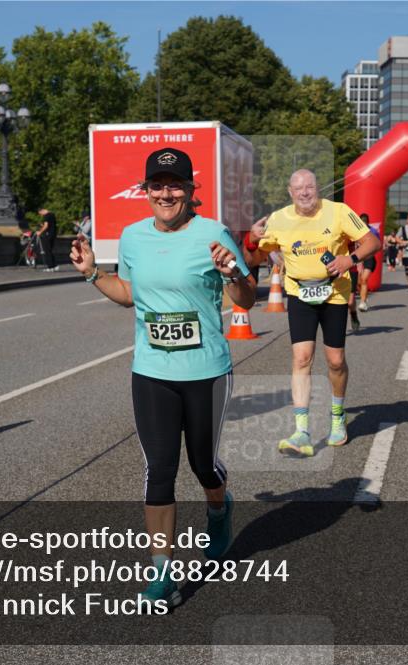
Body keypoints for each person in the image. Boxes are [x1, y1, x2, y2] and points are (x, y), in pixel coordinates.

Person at [68, 147, 256, 608]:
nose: (165, 194)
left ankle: (219, 509)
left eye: (174, 185)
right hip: (152, 371)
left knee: (203, 465)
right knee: (159, 471)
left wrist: (233, 274)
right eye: (157, 185)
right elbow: (129, 293)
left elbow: (246, 299)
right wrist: (92, 274)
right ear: (146, 190)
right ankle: (162, 575)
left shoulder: (213, 234)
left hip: (207, 371)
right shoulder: (133, 237)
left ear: (190, 190)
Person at [249, 169, 381, 457]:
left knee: (335, 360)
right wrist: (252, 239)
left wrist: (350, 259)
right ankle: (301, 431)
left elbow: (373, 242)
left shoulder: (338, 212)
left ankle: (337, 416)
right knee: (301, 358)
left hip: (334, 294)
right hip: (299, 294)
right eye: (299, 188)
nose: (305, 192)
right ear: (290, 192)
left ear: (317, 188)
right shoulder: (279, 219)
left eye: (309, 186)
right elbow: (258, 255)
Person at [356, 214, 379, 311]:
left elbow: (378, 245)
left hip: (369, 258)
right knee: (358, 282)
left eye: (365, 223)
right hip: (358, 258)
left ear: (368, 223)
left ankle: (363, 302)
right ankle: (364, 296)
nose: (363, 225)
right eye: (361, 223)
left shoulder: (373, 231)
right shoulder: (355, 230)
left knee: (364, 279)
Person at [37, 208, 58, 272]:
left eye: (41, 214)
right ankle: (54, 266)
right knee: (50, 250)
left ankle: (50, 267)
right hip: (53, 234)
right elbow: (51, 225)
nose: (41, 215)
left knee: (47, 250)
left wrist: (40, 232)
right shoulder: (52, 215)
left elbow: (46, 226)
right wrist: (42, 225)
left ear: (42, 211)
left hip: (48, 235)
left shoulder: (46, 216)